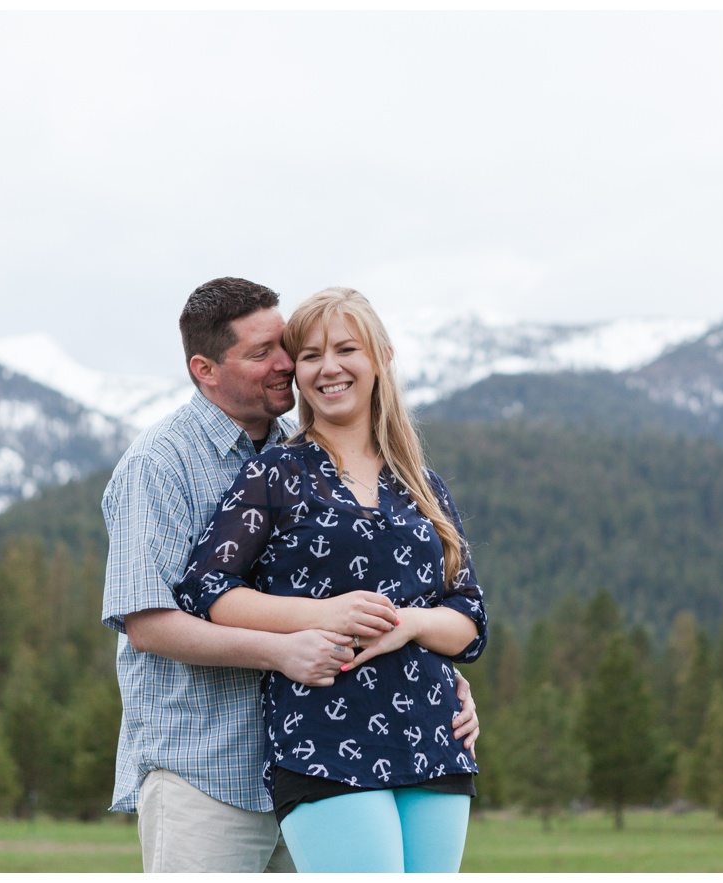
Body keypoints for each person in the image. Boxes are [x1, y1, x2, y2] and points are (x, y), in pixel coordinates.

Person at [100, 278, 479, 872]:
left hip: (312, 748)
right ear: (205, 369)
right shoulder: (159, 465)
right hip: (209, 768)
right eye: (262, 354)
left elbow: (447, 602)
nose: (285, 365)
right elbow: (152, 624)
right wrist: (290, 646)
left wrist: (425, 663)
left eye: (285, 347)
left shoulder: (310, 450)